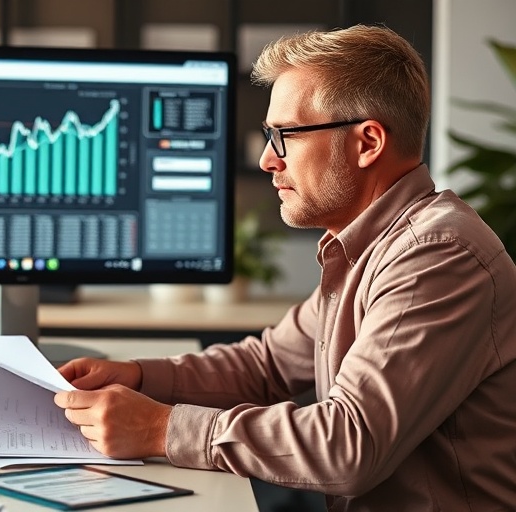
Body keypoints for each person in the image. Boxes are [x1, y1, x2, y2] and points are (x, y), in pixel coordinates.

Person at [53, 24, 516, 511]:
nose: (266, 159)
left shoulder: (435, 256)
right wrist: (134, 377)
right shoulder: (369, 244)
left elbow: (347, 446)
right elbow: (266, 365)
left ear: (367, 143)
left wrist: (158, 427)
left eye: (284, 136)